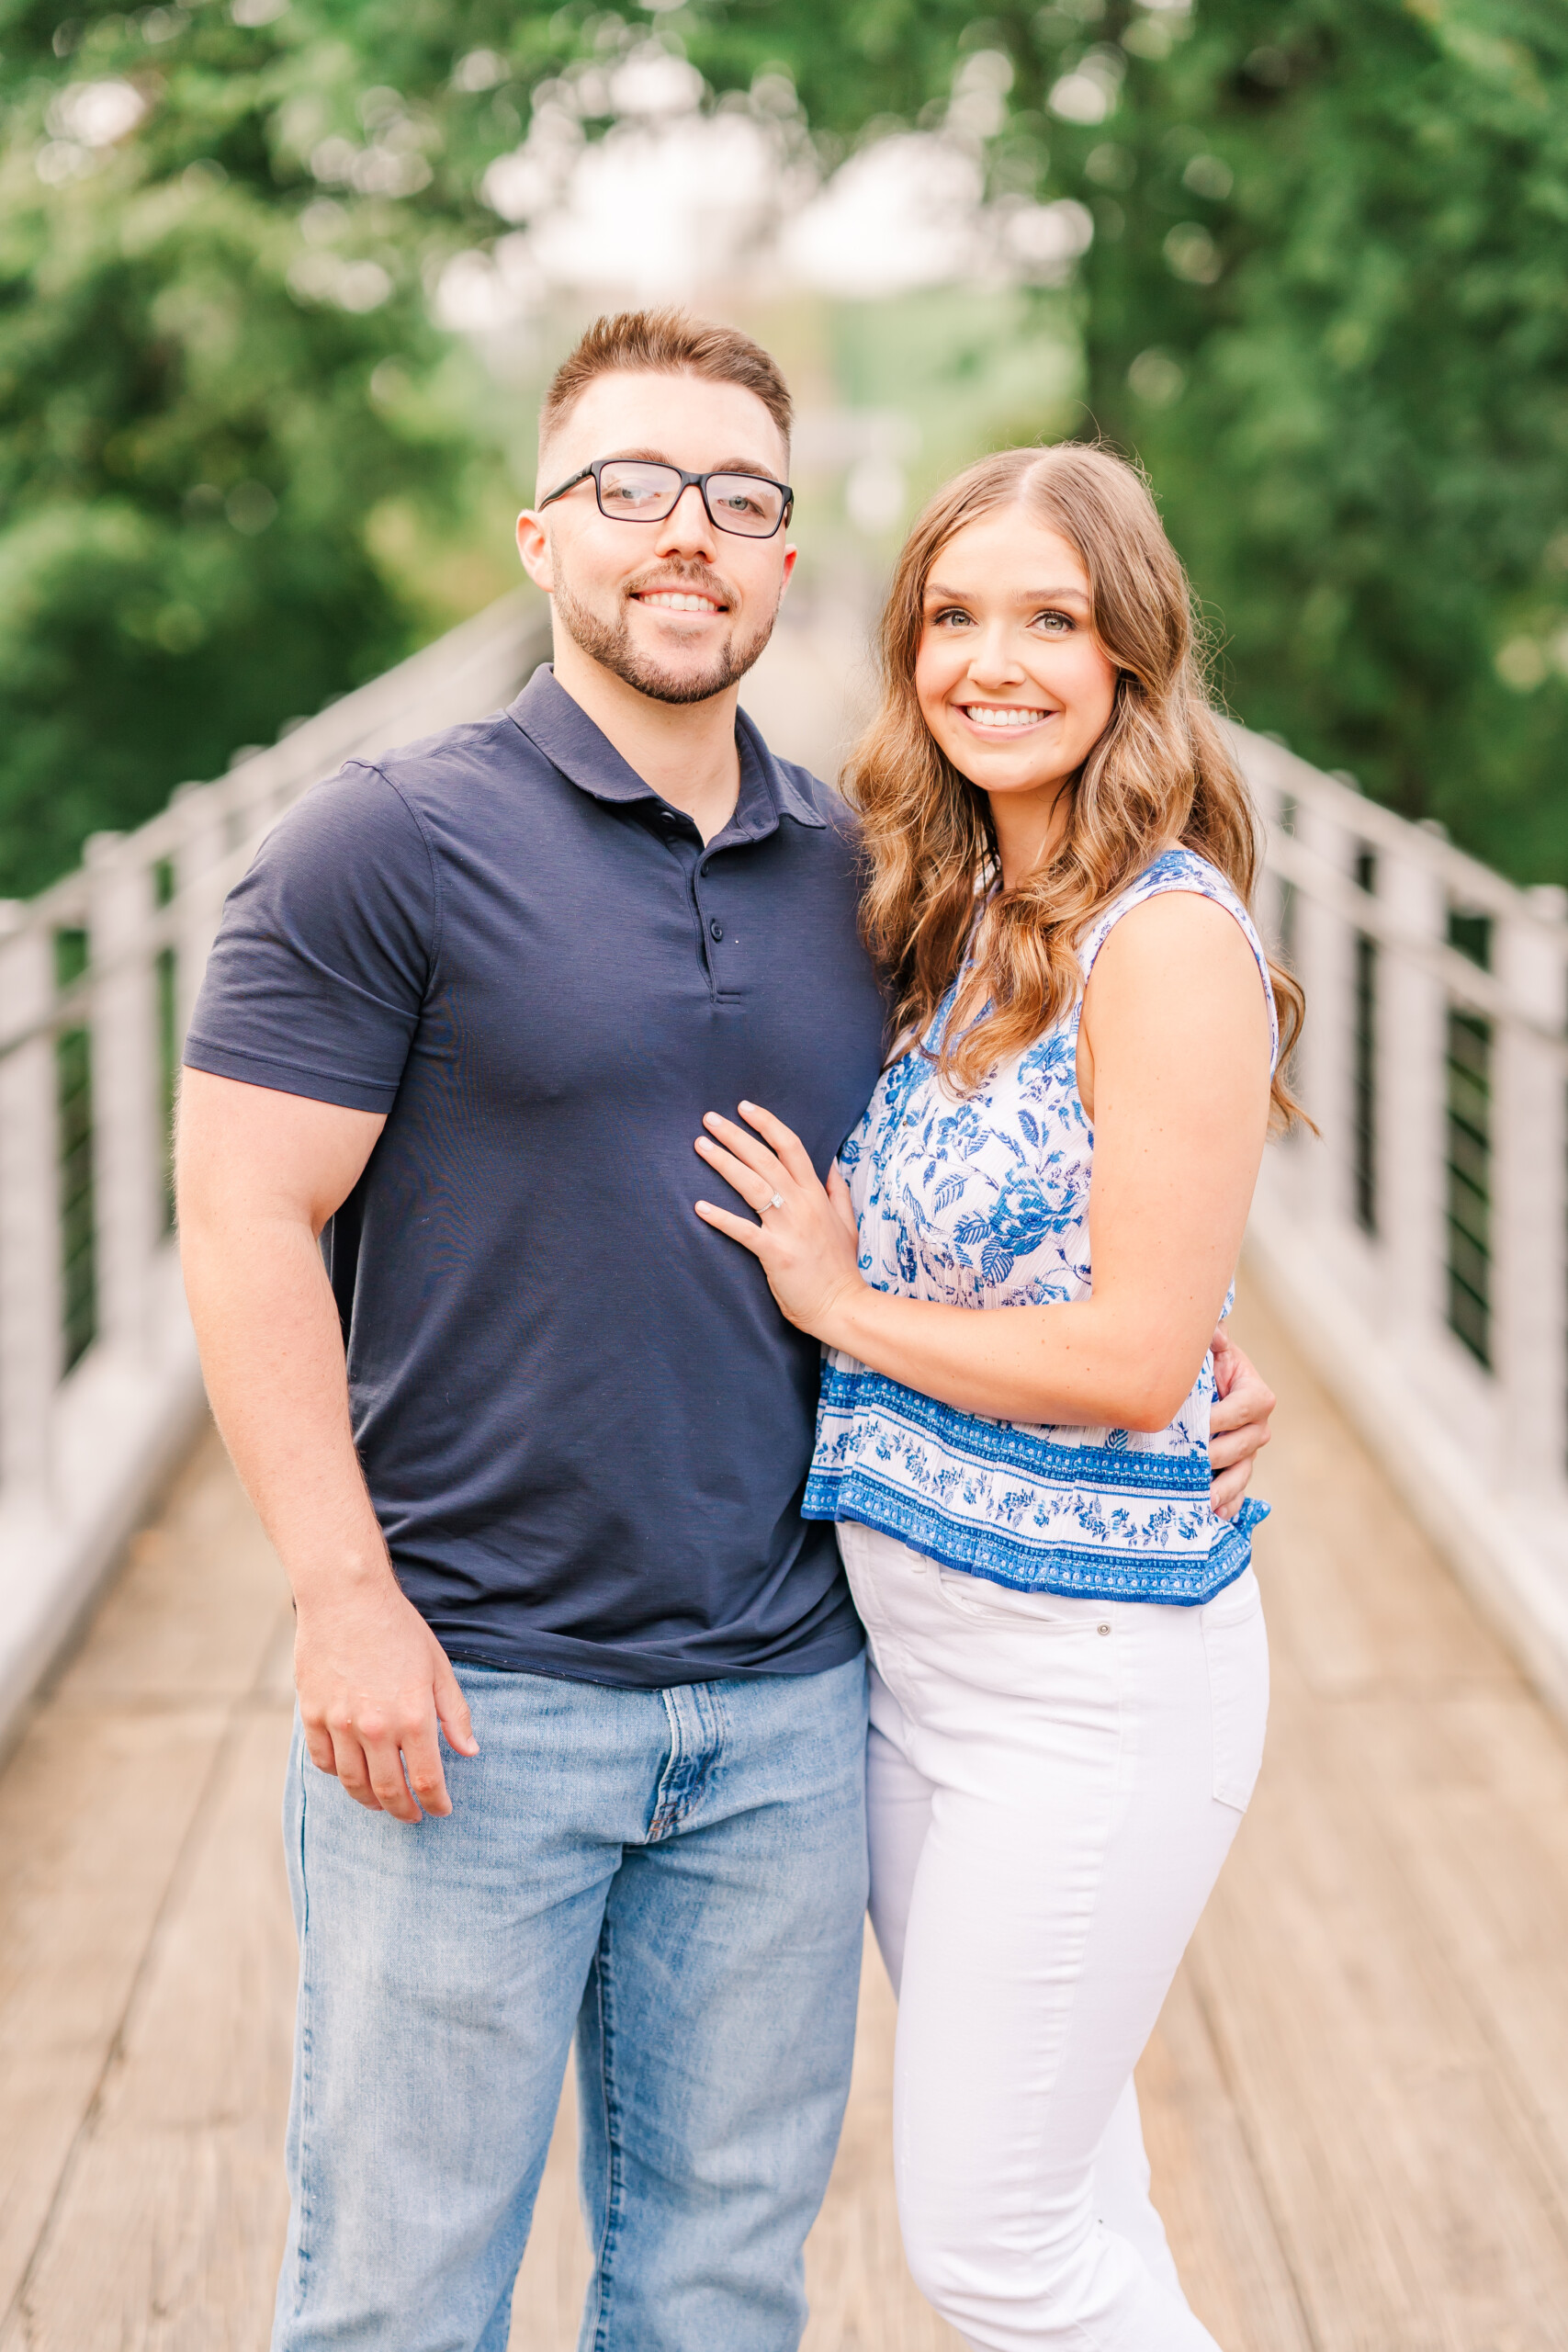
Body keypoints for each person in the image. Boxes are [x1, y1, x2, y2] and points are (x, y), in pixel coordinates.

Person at [175, 311, 1277, 2352]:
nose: (682, 535)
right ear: (537, 537)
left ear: (789, 561)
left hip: (797, 1704)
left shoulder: (882, 876)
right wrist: (339, 1595)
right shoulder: (382, 843)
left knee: (711, 2295)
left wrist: (1184, 1365)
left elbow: (1043, 1175)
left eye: (737, 501)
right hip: (474, 1695)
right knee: (400, 2293)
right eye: (628, 489)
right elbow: (241, 1211)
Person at [690, 443, 1303, 2351]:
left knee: (991, 2250)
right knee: (1078, 2204)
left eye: (1050, 617)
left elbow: (1129, 1354)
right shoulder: (952, 912)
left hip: (1086, 1685)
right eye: (952, 616)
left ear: (1130, 652)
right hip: (919, 1677)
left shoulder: (1168, 938)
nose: (993, 660)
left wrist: (837, 1300)